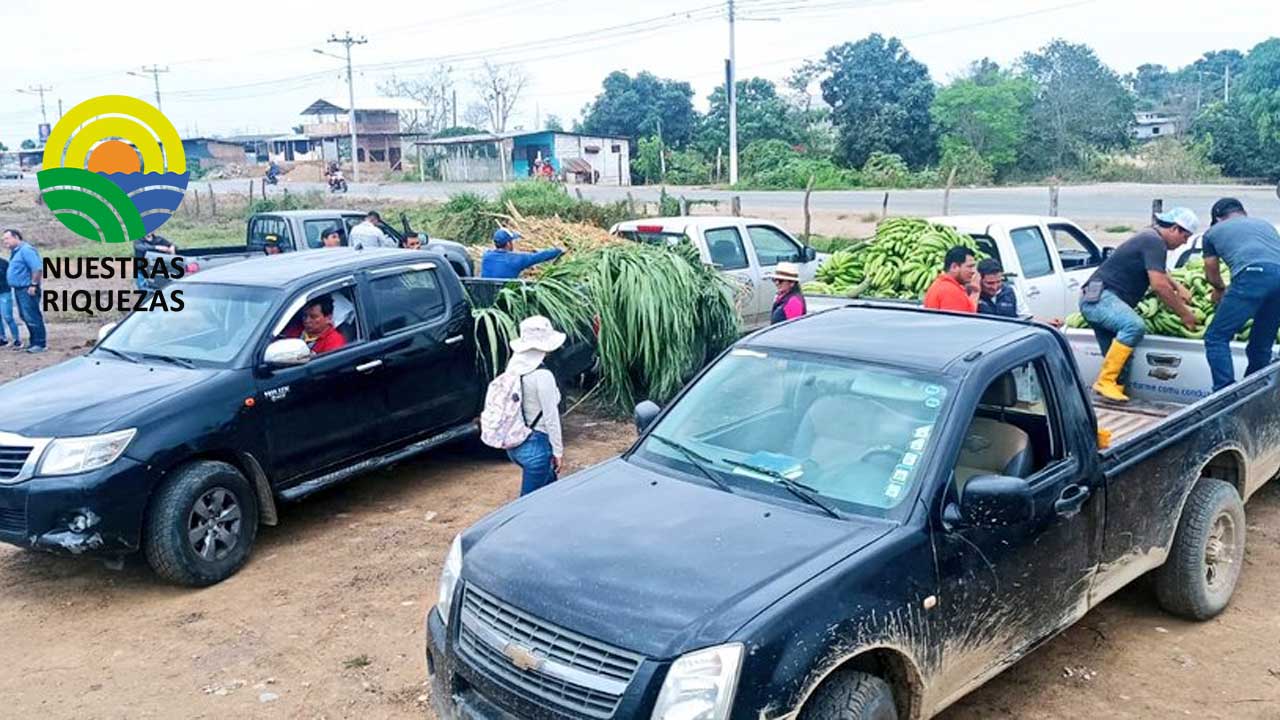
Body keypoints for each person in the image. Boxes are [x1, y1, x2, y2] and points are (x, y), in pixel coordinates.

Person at [1080, 208, 1200, 402]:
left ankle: (1109, 402)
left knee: (1123, 364)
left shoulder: (1150, 237)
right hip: (1101, 299)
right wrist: (1185, 314)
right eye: (1185, 237)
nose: (1184, 243)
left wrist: (1178, 286)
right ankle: (1105, 381)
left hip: (1099, 300)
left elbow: (1158, 271)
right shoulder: (1154, 241)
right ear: (1176, 229)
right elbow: (1159, 285)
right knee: (1133, 326)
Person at [1201, 198, 1280, 391]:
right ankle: (1255, 391)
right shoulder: (1265, 225)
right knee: (1261, 344)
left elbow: (1211, 270)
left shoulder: (1212, 233)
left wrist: (1220, 289)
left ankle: (1224, 392)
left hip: (1252, 275)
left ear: (1218, 218)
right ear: (1243, 212)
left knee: (1216, 337)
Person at [503, 316, 566, 496]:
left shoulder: (513, 368)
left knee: (550, 495)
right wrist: (558, 451)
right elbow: (550, 417)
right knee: (528, 505)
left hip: (516, 444)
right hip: (537, 446)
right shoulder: (543, 376)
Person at [976, 258, 1065, 327]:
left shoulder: (1011, 291)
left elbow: (1026, 318)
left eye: (998, 282)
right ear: (979, 279)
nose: (995, 287)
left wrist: (1047, 323)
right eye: (989, 283)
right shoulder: (973, 295)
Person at [3, 229, 45, 353]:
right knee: (25, 316)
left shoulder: (26, 250)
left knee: (32, 316)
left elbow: (37, 268)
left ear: (16, 237)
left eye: (7, 238)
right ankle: (34, 342)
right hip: (19, 289)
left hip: (28, 288)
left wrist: (33, 284)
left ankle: (40, 344)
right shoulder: (16, 252)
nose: (5, 242)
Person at [480, 228, 564, 279]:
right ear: (509, 244)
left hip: (486, 299)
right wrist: (558, 251)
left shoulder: (486, 256)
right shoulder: (517, 259)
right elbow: (539, 256)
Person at [923, 246, 980, 313]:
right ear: (954, 267)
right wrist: (975, 292)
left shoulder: (939, 285)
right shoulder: (951, 291)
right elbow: (963, 321)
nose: (973, 271)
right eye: (970, 266)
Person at [0, 253, 19, 348]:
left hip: (4, 292)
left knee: (7, 316)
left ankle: (16, 339)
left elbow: (10, 276)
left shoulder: (4, 263)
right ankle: (2, 338)